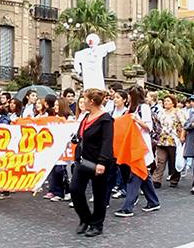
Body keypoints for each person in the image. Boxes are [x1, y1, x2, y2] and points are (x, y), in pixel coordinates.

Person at [69, 88, 114, 237]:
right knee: (75, 190)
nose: (83, 102)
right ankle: (85, 218)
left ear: (92, 101)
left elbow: (107, 142)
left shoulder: (106, 119)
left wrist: (102, 162)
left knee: (99, 194)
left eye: (85, 99)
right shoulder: (86, 116)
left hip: (98, 162)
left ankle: (97, 224)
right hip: (82, 160)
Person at [114, 85, 160, 218]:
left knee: (135, 175)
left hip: (141, 146)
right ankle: (153, 201)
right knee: (143, 174)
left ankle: (128, 207)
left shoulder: (143, 108)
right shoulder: (130, 108)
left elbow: (149, 127)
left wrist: (137, 120)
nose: (127, 96)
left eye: (129, 94)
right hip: (133, 145)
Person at [153, 94, 186, 188]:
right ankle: (156, 179)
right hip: (162, 139)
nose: (166, 103)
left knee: (174, 160)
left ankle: (174, 178)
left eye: (168, 101)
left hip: (174, 139)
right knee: (160, 160)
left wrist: (182, 136)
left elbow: (184, 124)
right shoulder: (161, 112)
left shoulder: (177, 112)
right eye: (165, 101)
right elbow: (157, 124)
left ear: (173, 102)